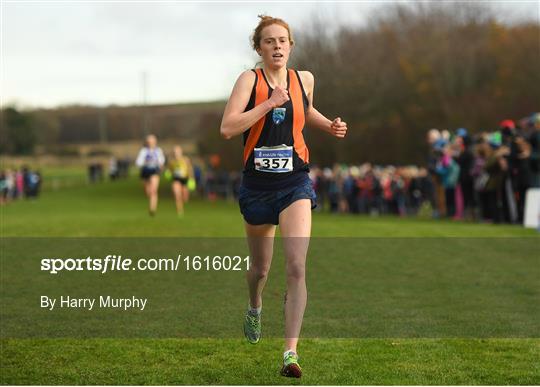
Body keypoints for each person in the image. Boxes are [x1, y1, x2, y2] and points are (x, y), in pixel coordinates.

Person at [220, 15, 347, 378]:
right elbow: (228, 128)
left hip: (295, 182)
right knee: (260, 269)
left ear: (291, 45)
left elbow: (304, 110)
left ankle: (290, 352)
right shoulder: (249, 80)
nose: (277, 46)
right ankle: (255, 305)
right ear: (258, 48)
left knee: (296, 266)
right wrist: (268, 102)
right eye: (269, 41)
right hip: (257, 187)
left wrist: (330, 125)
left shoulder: (303, 79)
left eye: (282, 41)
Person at [135, 134, 165, 216]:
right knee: (147, 192)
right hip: (145, 171)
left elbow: (161, 161)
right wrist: (145, 162)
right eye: (149, 141)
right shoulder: (143, 151)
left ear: (155, 142)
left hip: (154, 171)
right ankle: (151, 203)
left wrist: (160, 165)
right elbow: (138, 162)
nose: (151, 143)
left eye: (152, 141)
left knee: (153, 190)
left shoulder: (158, 150)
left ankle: (152, 209)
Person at [167, 145, 193, 216]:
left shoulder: (185, 159)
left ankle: (183, 202)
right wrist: (168, 173)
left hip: (185, 179)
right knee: (177, 195)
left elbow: (190, 169)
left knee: (185, 198)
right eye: (175, 152)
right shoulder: (171, 161)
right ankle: (180, 211)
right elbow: (169, 170)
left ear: (181, 152)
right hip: (175, 179)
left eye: (177, 152)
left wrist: (191, 179)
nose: (176, 153)